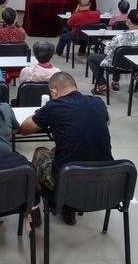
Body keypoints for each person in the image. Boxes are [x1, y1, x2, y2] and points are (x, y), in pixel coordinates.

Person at [19, 72, 112, 225]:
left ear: (54, 92)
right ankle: (70, 211)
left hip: (67, 182)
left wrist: (39, 114)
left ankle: (34, 206)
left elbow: (24, 129)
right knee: (57, 150)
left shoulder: (53, 106)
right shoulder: (97, 102)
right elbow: (107, 122)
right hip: (106, 180)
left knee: (40, 151)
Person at [88, 9, 138, 94]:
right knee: (118, 55)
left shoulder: (120, 37)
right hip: (137, 65)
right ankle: (115, 82)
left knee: (92, 58)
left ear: (128, 21)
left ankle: (102, 84)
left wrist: (107, 44)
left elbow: (108, 53)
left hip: (118, 65)